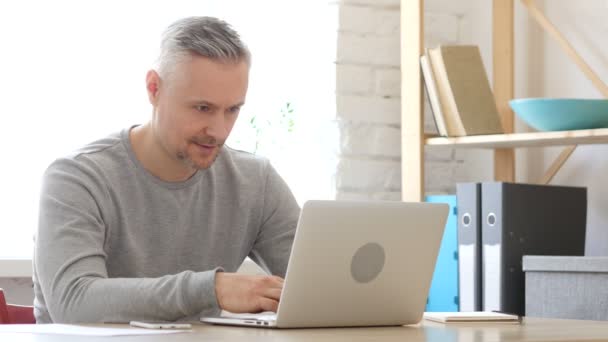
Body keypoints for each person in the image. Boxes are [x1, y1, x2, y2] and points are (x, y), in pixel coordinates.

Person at [33, 16, 300, 323]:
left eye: (232, 110)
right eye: (203, 108)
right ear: (154, 88)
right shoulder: (76, 178)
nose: (218, 130)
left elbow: (319, 285)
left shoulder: (255, 181)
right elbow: (74, 303)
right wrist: (210, 289)